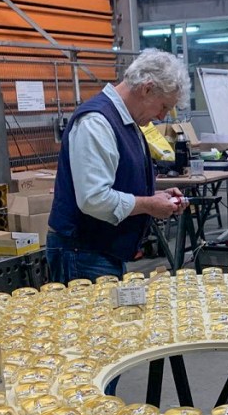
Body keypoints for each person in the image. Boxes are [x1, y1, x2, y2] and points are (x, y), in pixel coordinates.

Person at [46, 49, 190, 283]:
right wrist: (148, 204)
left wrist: (155, 197)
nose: (162, 117)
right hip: (83, 252)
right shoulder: (96, 122)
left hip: (103, 250)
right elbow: (94, 199)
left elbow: (117, 183)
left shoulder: (127, 122)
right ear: (146, 89)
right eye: (163, 107)